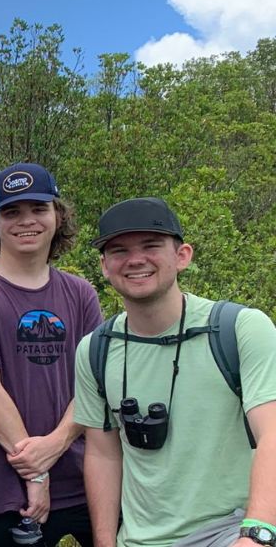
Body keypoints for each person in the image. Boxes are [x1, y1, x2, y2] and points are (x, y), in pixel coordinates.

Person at [73, 197, 276, 547]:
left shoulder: (240, 329)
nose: (135, 260)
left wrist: (256, 533)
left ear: (183, 255)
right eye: (119, 251)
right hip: (136, 539)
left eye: (151, 246)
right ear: (105, 266)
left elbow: (272, 432)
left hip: (228, 531)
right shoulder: (95, 349)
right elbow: (103, 453)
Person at [0, 164, 100, 546]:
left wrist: (56, 444)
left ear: (57, 215)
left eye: (38, 209)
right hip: (4, 487)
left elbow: (95, 384)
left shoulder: (81, 295)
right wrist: (35, 473)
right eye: (12, 212)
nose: (26, 221)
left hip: (85, 476)